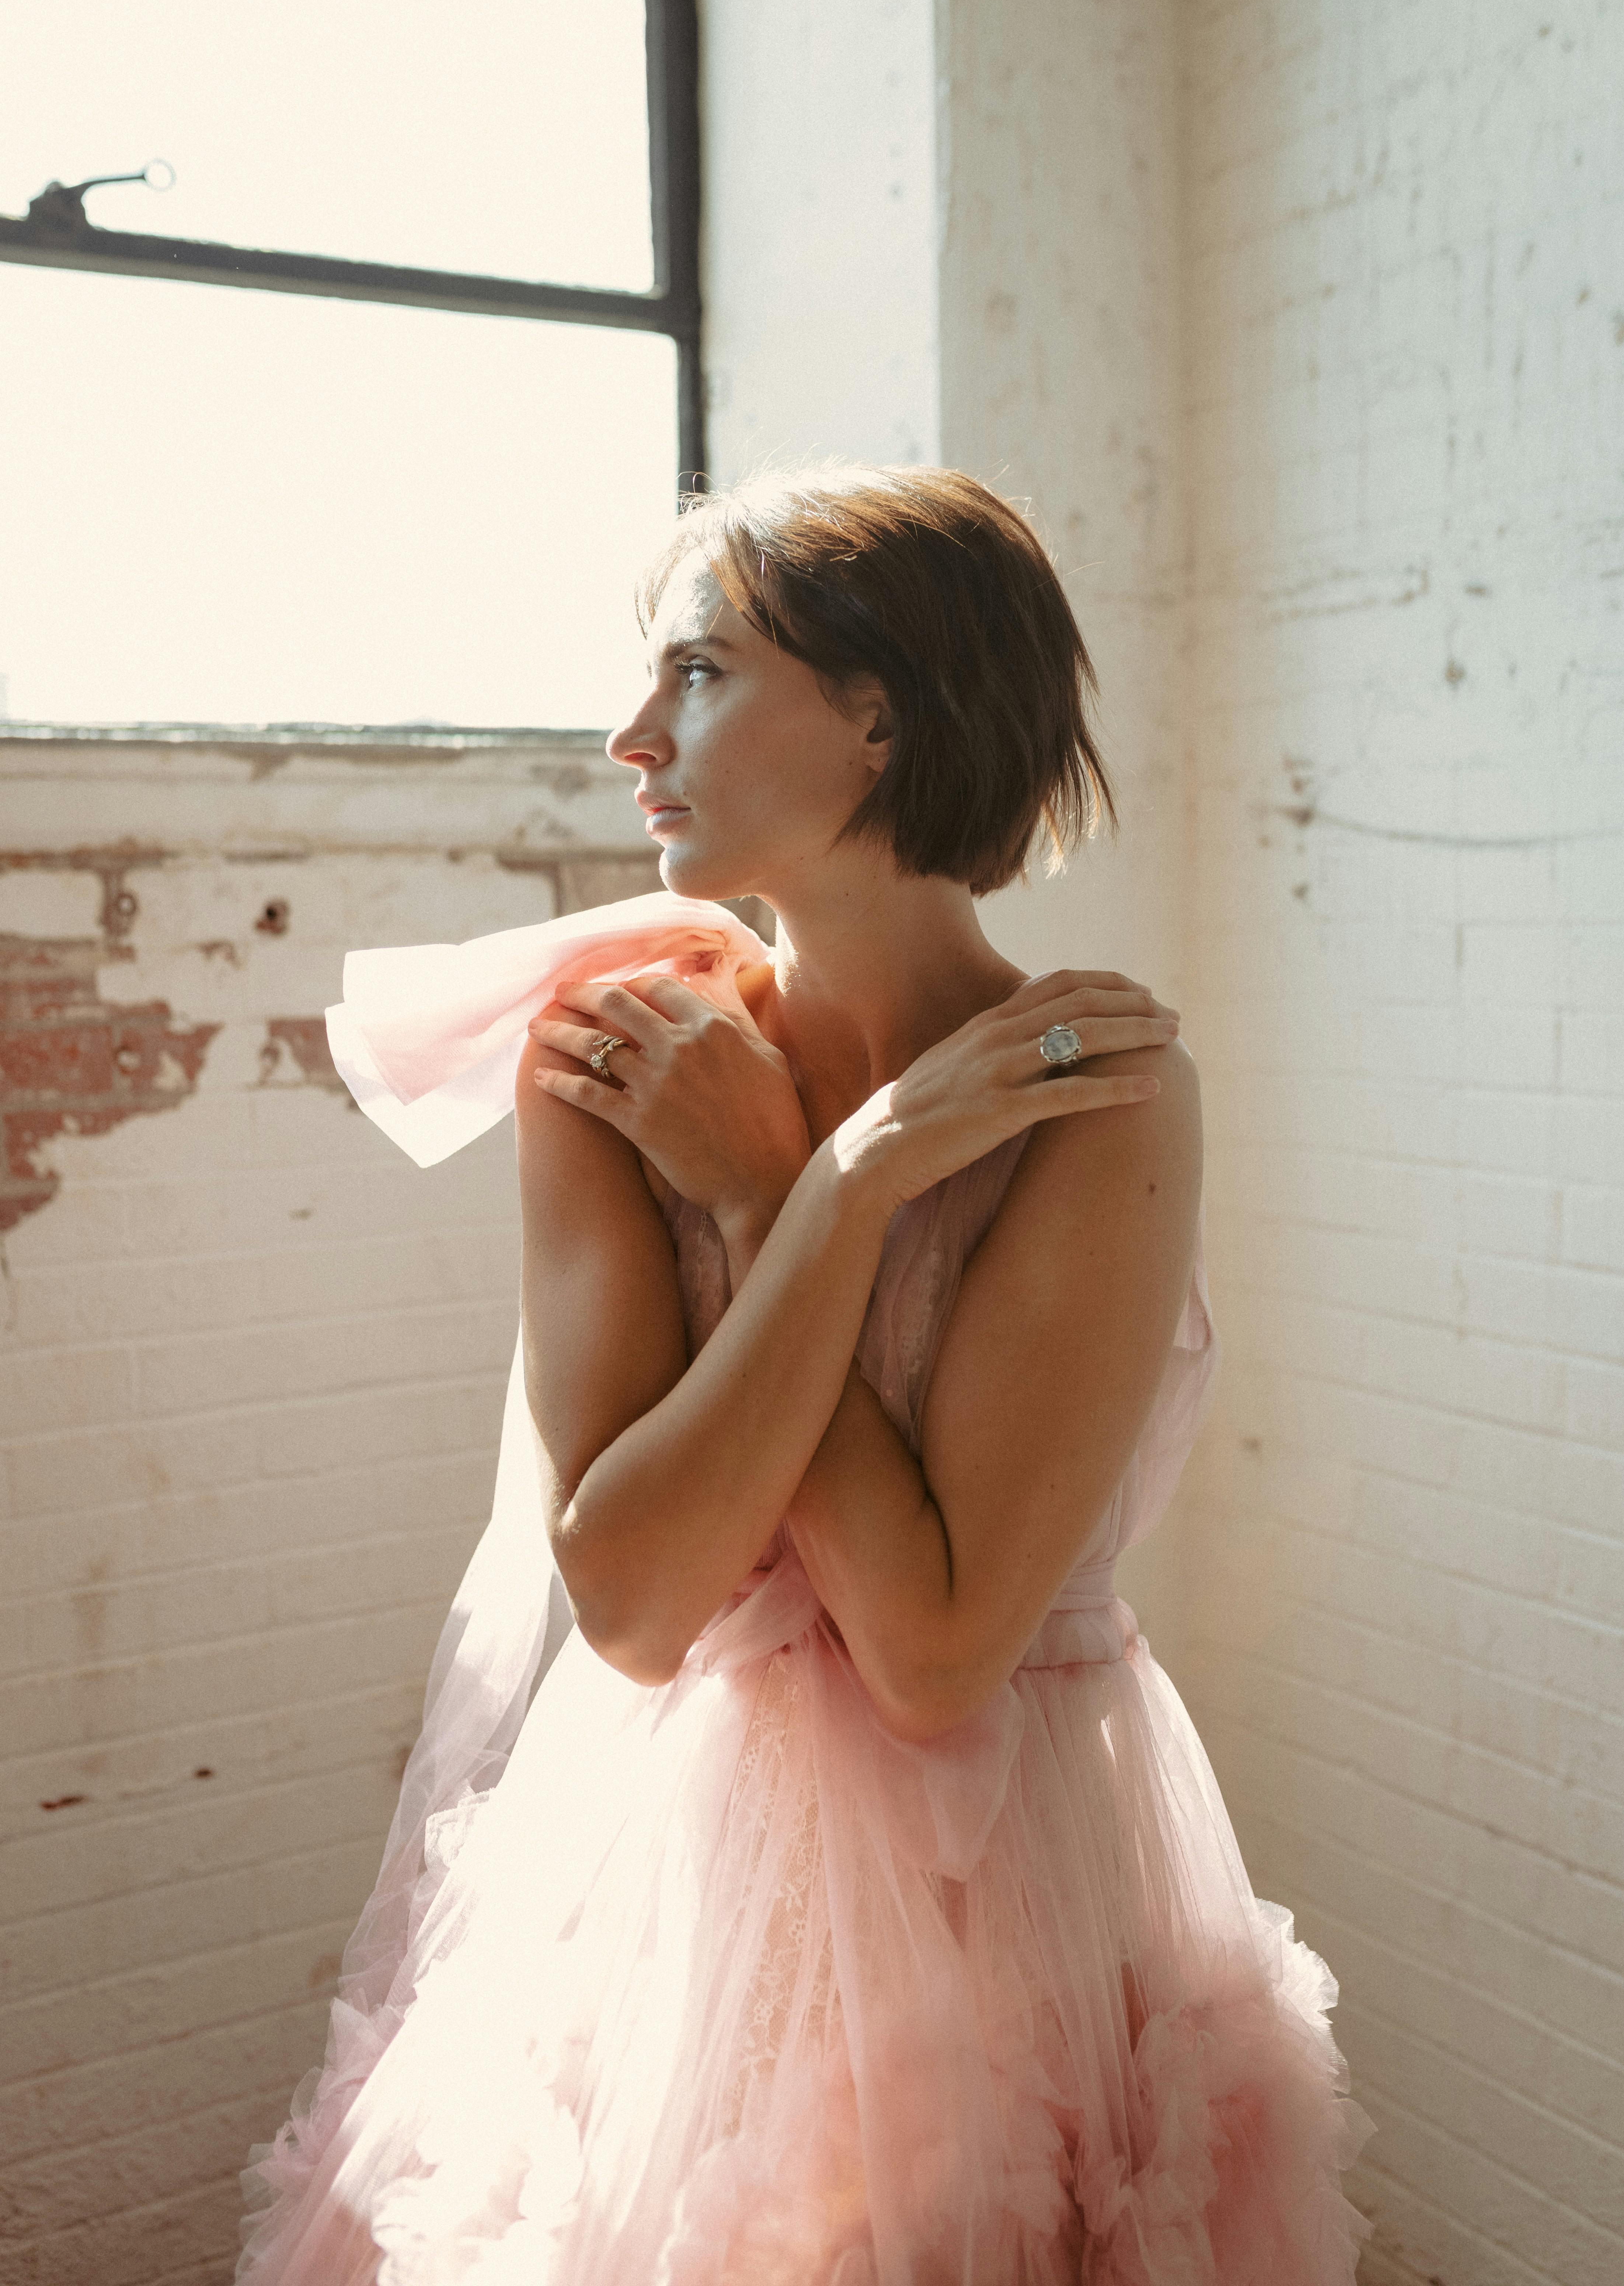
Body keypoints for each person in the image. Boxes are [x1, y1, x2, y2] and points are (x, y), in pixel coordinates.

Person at [239, 466, 1371, 2282]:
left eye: (695, 672)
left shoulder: (1098, 1094)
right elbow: (630, 1601)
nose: (632, 736)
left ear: (879, 717)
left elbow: (933, 1655)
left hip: (1010, 1878)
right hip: (672, 1876)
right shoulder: (617, 1057)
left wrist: (779, 1191)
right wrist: (839, 1189)